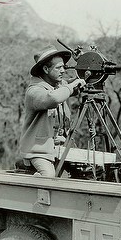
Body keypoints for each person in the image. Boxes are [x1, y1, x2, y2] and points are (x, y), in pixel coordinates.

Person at [20, 44, 86, 177]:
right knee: (48, 179)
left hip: (60, 147)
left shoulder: (58, 86)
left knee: (87, 171)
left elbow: (83, 82)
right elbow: (54, 98)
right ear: (45, 69)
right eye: (58, 67)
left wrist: (83, 63)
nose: (63, 71)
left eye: (64, 67)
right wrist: (72, 86)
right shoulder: (34, 91)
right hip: (39, 151)